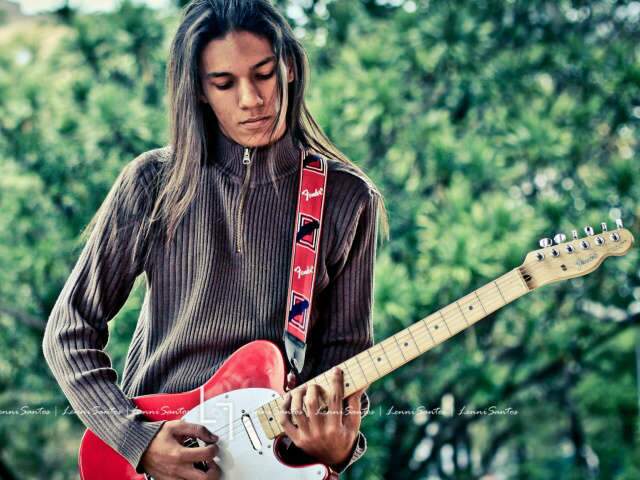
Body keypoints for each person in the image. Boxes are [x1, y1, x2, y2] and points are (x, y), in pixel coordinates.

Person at [42, 0, 388, 478]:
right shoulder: (154, 181)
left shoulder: (346, 198)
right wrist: (135, 439)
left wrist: (336, 448)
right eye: (224, 83)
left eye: (263, 74)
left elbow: (342, 361)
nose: (251, 99)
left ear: (288, 67)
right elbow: (69, 330)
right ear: (200, 92)